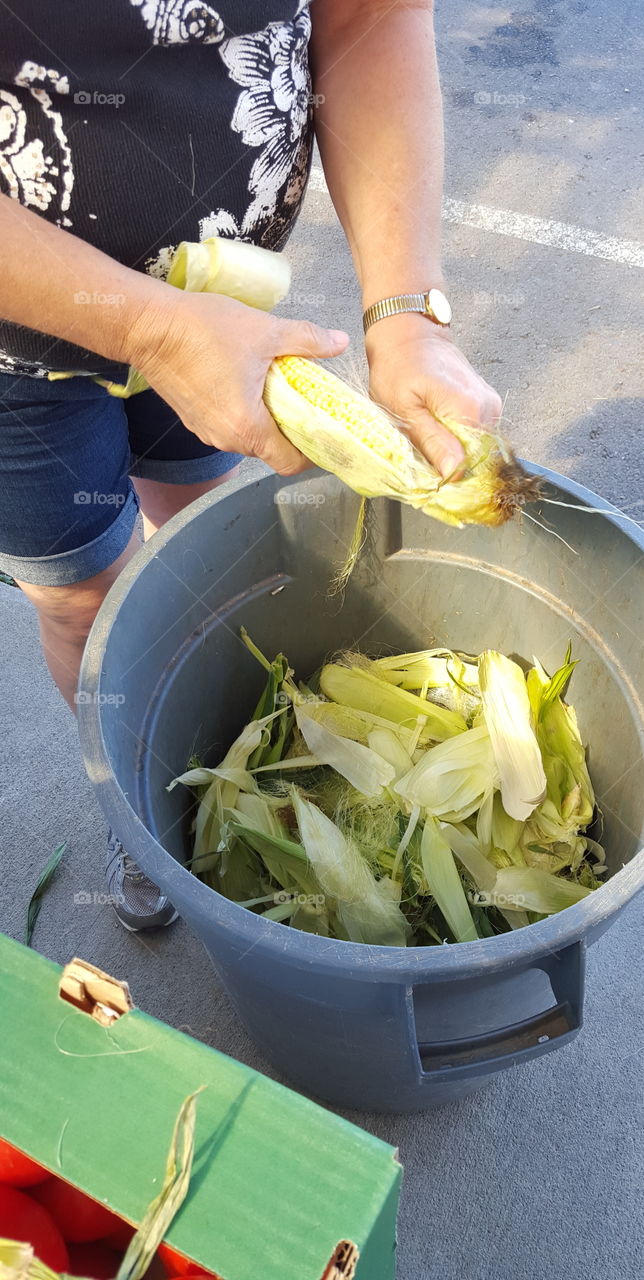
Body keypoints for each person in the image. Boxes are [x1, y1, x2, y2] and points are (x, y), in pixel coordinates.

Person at [0, 0, 502, 929]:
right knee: (81, 596)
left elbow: (371, 18)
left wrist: (405, 312)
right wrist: (146, 328)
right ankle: (135, 790)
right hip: (15, 350)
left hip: (221, 298)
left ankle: (183, 731)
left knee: (190, 526)